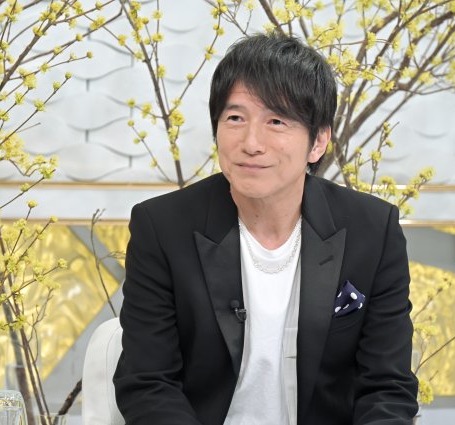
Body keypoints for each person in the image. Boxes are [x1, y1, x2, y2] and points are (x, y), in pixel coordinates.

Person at [113, 33, 419, 425]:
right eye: (235, 118)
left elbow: (387, 389)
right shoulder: (162, 227)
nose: (251, 143)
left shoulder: (372, 230)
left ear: (318, 141)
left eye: (276, 121)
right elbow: (148, 383)